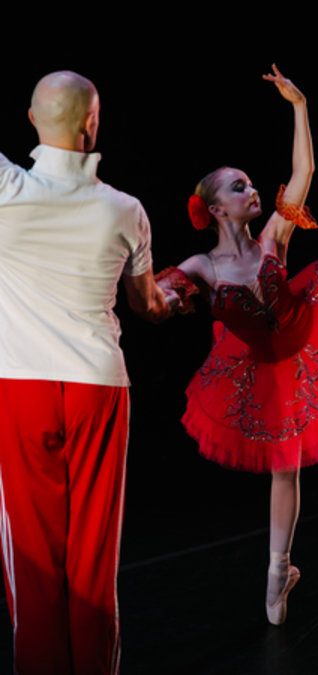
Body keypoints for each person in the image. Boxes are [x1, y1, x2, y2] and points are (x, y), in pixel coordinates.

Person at [157, 64, 318, 626]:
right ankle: (278, 573)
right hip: (266, 366)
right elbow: (158, 294)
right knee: (286, 467)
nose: (252, 190)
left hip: (312, 333)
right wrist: (161, 291)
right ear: (216, 209)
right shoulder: (201, 266)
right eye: (239, 187)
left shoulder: (274, 235)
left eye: (251, 182)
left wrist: (299, 105)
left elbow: (305, 171)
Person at [0, 71, 177, 673]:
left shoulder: (7, 189)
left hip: (21, 385)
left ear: (31, 120)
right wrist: (176, 300)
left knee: (32, 555)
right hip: (99, 386)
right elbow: (148, 305)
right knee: (94, 555)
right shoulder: (126, 210)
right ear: (93, 125)